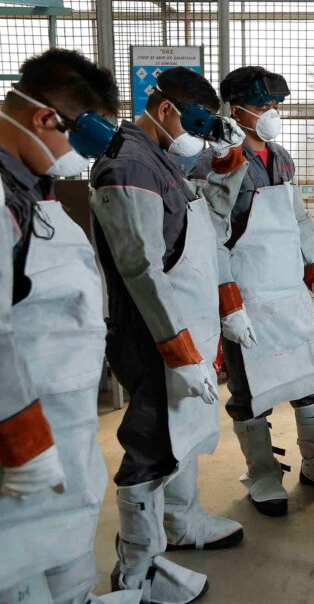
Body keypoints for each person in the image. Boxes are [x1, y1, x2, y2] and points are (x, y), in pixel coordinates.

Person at [91, 67, 249, 603]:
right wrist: (179, 350)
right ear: (165, 110)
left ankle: (180, 525)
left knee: (179, 437)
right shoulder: (129, 166)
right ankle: (137, 573)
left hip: (180, 331)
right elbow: (142, 269)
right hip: (152, 338)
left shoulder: (161, 159)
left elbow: (208, 227)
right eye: (196, 125)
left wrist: (228, 158)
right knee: (151, 447)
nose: (199, 139)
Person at [189, 66, 314, 518]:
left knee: (311, 381)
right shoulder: (213, 165)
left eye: (274, 105)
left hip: (289, 292)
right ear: (235, 110)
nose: (271, 113)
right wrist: (228, 303)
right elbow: (211, 237)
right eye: (262, 105)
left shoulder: (281, 158)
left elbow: (299, 219)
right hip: (247, 299)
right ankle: (263, 473)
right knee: (250, 391)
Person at [0, 50, 139, 604]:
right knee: (16, 561)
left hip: (58, 413)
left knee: (60, 542)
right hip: (22, 422)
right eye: (77, 142)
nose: (76, 161)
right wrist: (18, 430)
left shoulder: (30, 186)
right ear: (43, 117)